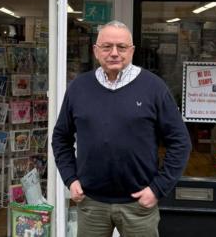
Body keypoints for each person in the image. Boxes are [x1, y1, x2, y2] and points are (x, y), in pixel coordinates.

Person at [52, 20, 191, 237]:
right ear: (96, 51)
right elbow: (61, 137)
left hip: (138, 205)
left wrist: (158, 188)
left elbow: (181, 142)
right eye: (107, 47)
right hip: (91, 203)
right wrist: (70, 178)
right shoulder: (79, 88)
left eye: (122, 47)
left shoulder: (154, 88)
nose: (114, 53)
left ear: (132, 50)